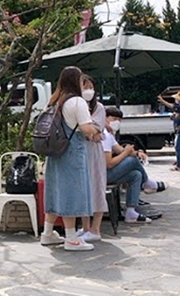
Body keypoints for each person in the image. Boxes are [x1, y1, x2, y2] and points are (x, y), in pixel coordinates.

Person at [40, 66, 99, 251]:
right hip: (71, 153)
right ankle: (72, 238)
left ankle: (47, 233)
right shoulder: (77, 102)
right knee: (71, 194)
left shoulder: (54, 100)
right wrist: (96, 131)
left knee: (55, 192)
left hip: (54, 152)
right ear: (77, 81)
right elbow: (86, 128)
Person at [103, 107, 167, 224]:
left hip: (107, 173)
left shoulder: (110, 136)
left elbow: (120, 150)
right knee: (132, 161)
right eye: (113, 119)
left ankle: (131, 211)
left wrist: (136, 152)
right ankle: (147, 183)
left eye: (119, 120)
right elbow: (109, 163)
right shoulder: (104, 136)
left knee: (135, 175)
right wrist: (127, 153)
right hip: (102, 175)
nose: (116, 122)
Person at [75, 75, 108, 242]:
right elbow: (80, 128)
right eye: (84, 87)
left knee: (96, 185)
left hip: (94, 153)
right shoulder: (75, 105)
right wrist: (91, 132)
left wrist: (91, 132)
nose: (88, 90)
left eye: (90, 87)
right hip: (80, 150)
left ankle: (96, 229)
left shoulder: (99, 107)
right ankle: (85, 227)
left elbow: (95, 127)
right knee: (83, 188)